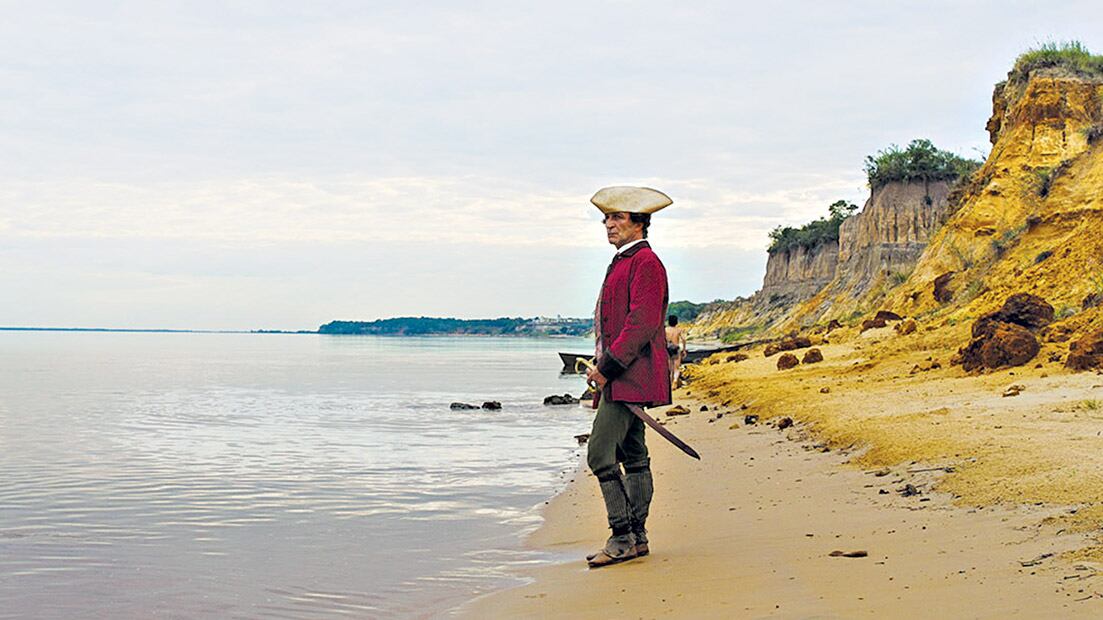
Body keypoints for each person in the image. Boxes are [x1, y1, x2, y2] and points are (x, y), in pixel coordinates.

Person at [583, 186, 672, 568]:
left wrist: (606, 369)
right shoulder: (622, 261)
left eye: (617, 217)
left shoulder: (646, 262)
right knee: (633, 455)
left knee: (600, 455)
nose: (609, 224)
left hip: (628, 377)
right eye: (607, 218)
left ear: (640, 222)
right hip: (622, 375)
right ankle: (636, 539)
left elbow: (641, 324)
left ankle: (622, 537)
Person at [665, 315, 687, 388]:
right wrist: (684, 350)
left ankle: (669, 383)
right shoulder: (678, 330)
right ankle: (675, 380)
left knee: (669, 367)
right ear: (676, 322)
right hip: (676, 348)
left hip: (668, 348)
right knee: (676, 367)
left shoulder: (666, 330)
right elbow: (684, 339)